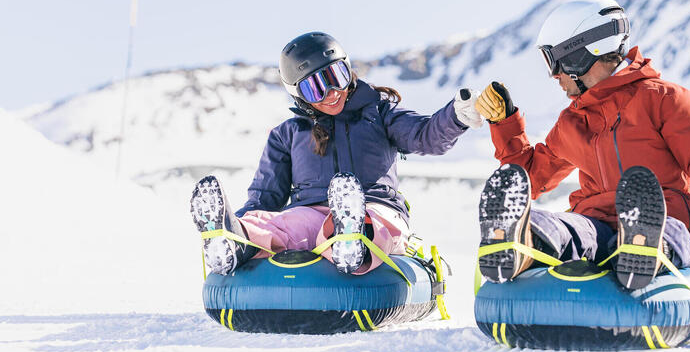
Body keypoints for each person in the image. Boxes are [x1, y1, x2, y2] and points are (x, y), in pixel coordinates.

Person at [474, 0, 690, 291]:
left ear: (582, 54)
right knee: (568, 231)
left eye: (556, 61)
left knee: (666, 234)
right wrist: (505, 124)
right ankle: (520, 240)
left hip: (664, 220)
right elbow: (531, 178)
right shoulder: (573, 122)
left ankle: (642, 250)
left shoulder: (665, 100)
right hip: (594, 226)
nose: (555, 75)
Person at [191, 31, 482, 276]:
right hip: (312, 212)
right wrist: (244, 219)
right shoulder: (288, 134)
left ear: (349, 69)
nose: (332, 92)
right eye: (316, 87)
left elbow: (425, 135)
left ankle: (351, 237)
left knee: (379, 224)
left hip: (375, 205)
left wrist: (455, 117)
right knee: (283, 225)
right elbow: (264, 198)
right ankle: (233, 239)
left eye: (336, 75)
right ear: (299, 95)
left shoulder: (379, 113)